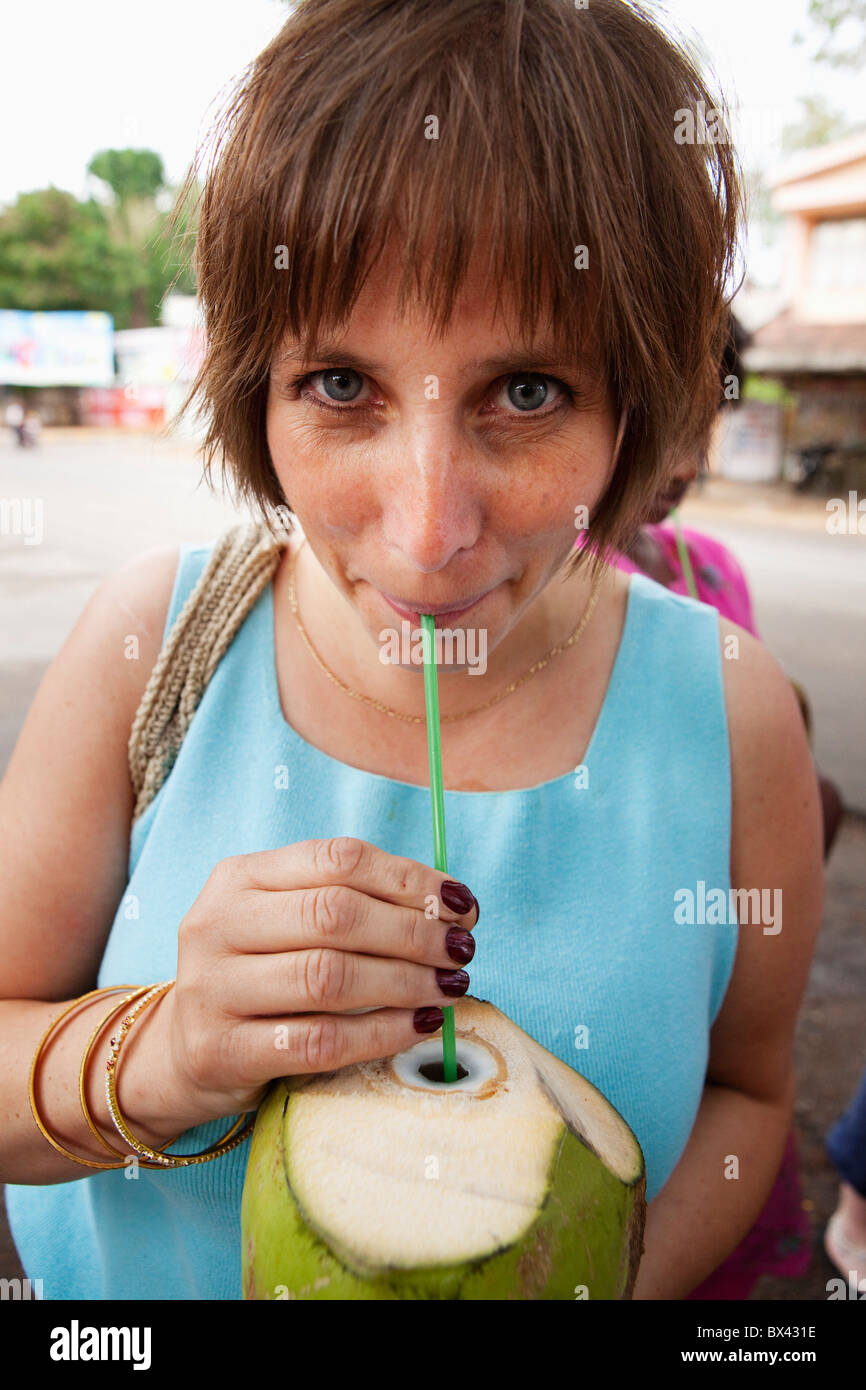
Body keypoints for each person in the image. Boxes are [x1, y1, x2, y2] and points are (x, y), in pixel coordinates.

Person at [0, 0, 823, 1301]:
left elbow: (747, 1087)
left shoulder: (730, 712)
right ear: (251, 389)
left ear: (636, 406)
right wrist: (158, 1055)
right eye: (340, 386)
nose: (429, 532)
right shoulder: (147, 650)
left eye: (527, 391)